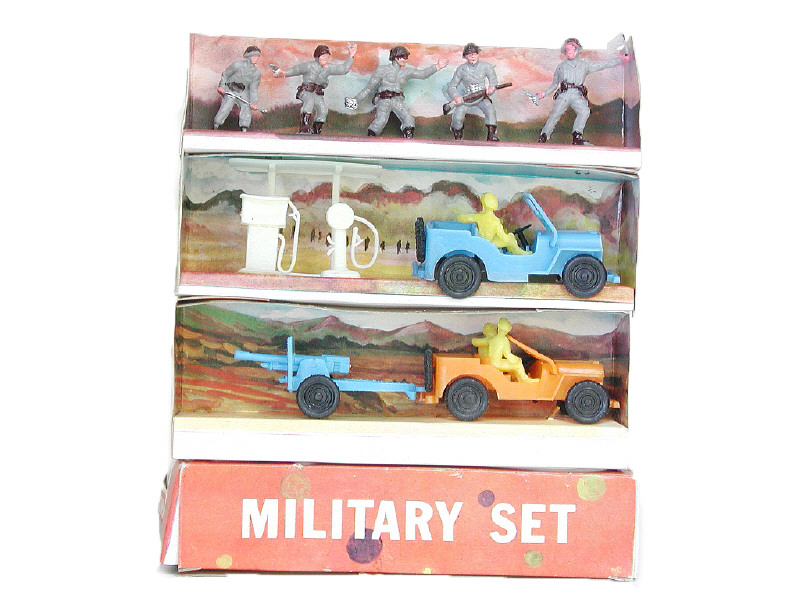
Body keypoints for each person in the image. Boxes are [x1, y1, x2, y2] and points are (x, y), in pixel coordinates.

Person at [532, 37, 630, 145]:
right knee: (555, 113)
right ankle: (544, 135)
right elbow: (554, 84)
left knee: (584, 111)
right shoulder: (561, 67)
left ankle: (577, 136)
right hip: (564, 94)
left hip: (576, 94)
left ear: (577, 50)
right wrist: (543, 94)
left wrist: (620, 60)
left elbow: (602, 65)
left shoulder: (585, 64)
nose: (569, 51)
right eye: (566, 49)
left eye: (571, 48)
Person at [345, 46, 447, 138]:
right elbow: (369, 88)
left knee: (408, 120)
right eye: (403, 57)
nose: (405, 60)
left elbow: (422, 74)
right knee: (380, 121)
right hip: (384, 100)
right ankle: (370, 139)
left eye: (406, 57)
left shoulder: (407, 71)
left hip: (397, 100)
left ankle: (408, 137)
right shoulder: (383, 70)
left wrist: (437, 66)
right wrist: (355, 101)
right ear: (396, 57)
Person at [274, 43, 357, 134]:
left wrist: (351, 56)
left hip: (317, 93)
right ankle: (304, 126)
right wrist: (284, 73)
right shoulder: (309, 65)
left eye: (327, 57)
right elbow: (296, 69)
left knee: (323, 110)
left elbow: (343, 69)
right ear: (317, 57)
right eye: (323, 56)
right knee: (309, 102)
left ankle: (317, 129)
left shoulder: (329, 67)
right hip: (306, 91)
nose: (325, 58)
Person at [446, 43, 499, 141]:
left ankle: (491, 135)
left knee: (490, 110)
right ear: (465, 56)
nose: (472, 56)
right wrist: (456, 97)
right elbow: (451, 87)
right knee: (458, 115)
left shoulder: (486, 66)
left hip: (482, 96)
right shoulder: (461, 69)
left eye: (475, 54)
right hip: (467, 97)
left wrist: (492, 87)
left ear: (478, 54)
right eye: (469, 55)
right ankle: (457, 135)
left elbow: (493, 80)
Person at [457, 193, 530, 255]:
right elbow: (502, 235)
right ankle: (518, 252)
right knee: (511, 239)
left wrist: (458, 215)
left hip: (483, 241)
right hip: (489, 243)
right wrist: (509, 238)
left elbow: (464, 218)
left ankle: (512, 251)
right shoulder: (495, 220)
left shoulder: (479, 217)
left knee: (510, 237)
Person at [213, 46, 263, 132]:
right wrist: (222, 86)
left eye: (257, 57)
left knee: (246, 105)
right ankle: (216, 125)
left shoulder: (256, 73)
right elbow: (225, 75)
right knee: (228, 103)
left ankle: (244, 128)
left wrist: (254, 102)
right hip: (230, 88)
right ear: (249, 56)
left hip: (243, 91)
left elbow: (253, 89)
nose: (256, 59)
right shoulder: (237, 65)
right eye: (254, 56)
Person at [486, 319, 534, 383]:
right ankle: (524, 379)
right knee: (518, 364)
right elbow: (507, 354)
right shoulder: (504, 340)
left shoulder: (492, 339)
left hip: (492, 362)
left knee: (513, 364)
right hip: (497, 363)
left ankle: (517, 379)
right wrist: (517, 359)